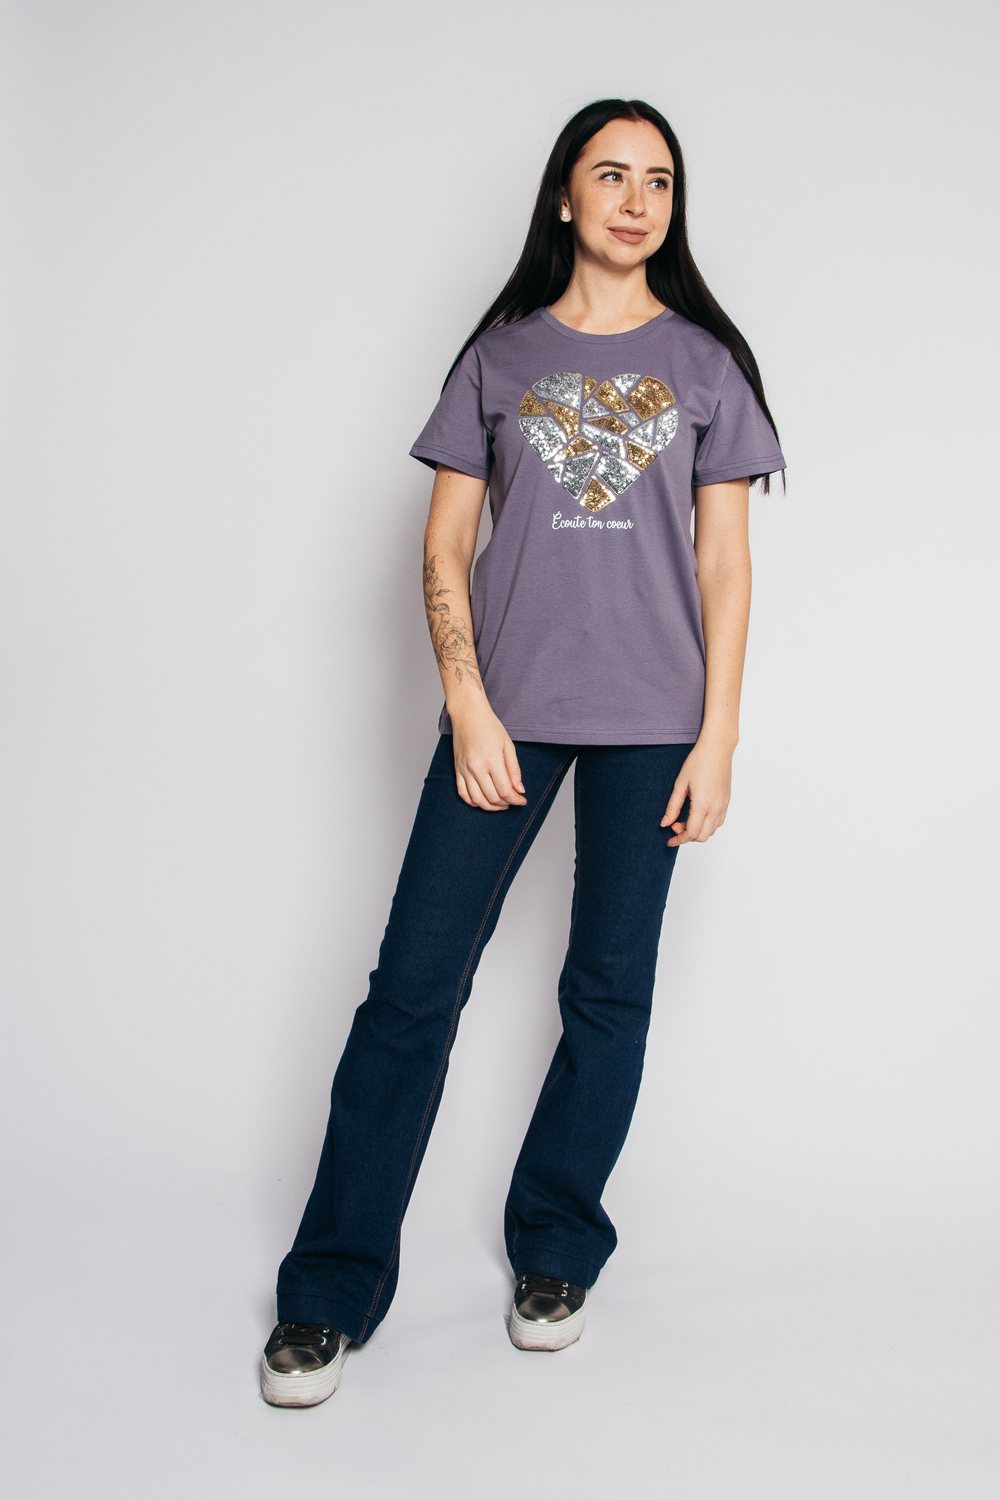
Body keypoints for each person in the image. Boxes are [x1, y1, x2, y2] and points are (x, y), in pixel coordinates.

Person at [260, 97, 785, 1407]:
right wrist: (469, 701)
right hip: (504, 715)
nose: (635, 201)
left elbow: (725, 564)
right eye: (610, 175)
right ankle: (329, 1289)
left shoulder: (707, 365)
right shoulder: (501, 358)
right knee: (411, 991)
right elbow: (444, 543)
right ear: (564, 196)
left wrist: (719, 735)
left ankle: (555, 1249)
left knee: (608, 994)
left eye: (658, 181)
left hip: (655, 724)